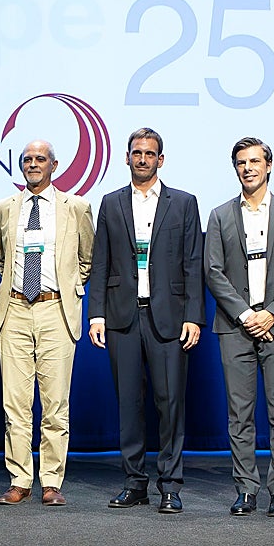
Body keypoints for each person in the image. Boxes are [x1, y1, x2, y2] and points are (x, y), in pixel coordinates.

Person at [89, 127, 204, 514]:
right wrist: (97, 315)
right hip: (122, 317)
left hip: (169, 319)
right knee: (128, 404)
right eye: (136, 153)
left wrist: (194, 317)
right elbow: (101, 262)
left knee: (170, 403)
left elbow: (192, 263)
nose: (142, 159)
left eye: (149, 153)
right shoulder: (110, 202)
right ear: (126, 158)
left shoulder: (183, 203)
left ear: (161, 159)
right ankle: (134, 482)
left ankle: (170, 485)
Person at [204, 137, 274, 517]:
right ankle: (246, 488)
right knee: (240, 413)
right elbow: (213, 272)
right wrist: (247, 315)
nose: (248, 168)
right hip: (235, 327)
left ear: (268, 166)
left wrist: (272, 314)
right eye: (241, 162)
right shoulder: (218, 215)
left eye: (254, 161)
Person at [0, 140, 94, 507]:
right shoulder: (4, 208)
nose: (33, 164)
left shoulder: (76, 206)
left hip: (56, 309)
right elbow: (1, 260)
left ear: (54, 164)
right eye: (27, 159)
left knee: (55, 405)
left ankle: (51, 481)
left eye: (40, 159)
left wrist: (64, 288)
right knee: (15, 404)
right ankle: (19, 480)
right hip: (15, 309)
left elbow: (86, 259)